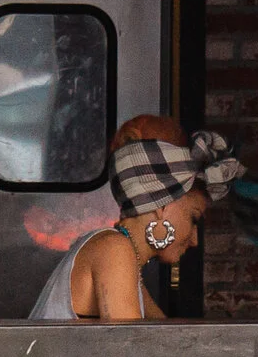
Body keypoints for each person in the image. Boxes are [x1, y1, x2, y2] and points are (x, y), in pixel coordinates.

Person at [30, 115, 243, 321]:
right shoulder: (114, 250)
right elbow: (130, 352)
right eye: (193, 218)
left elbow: (166, 336)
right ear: (162, 205)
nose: (195, 239)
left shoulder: (124, 258)